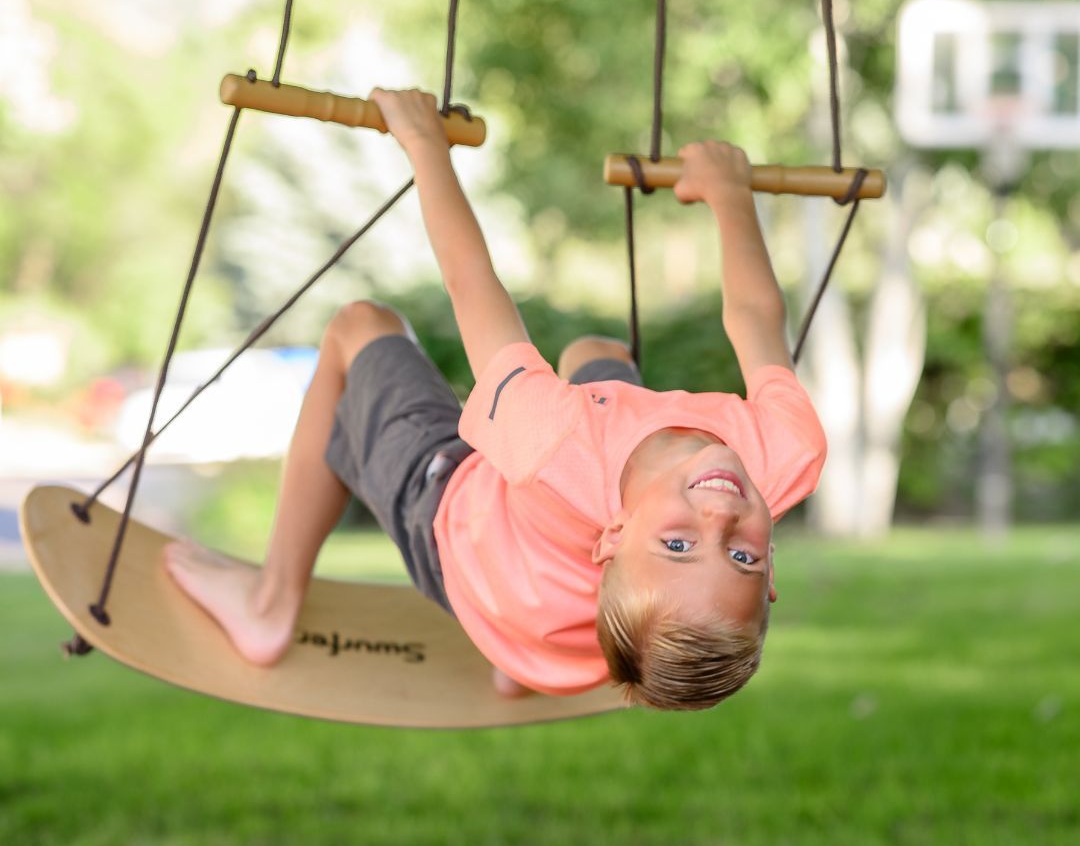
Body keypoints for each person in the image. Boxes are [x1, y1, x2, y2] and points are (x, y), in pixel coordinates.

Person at [164, 88, 826, 710]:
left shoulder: (551, 441)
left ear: (617, 538)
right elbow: (757, 317)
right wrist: (730, 195)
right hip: (561, 636)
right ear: (769, 569)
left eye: (678, 544)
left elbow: (472, 283)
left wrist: (425, 145)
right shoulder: (786, 452)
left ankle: (269, 605)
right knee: (598, 356)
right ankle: (520, 662)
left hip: (460, 544)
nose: (719, 519)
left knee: (361, 326)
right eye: (739, 556)